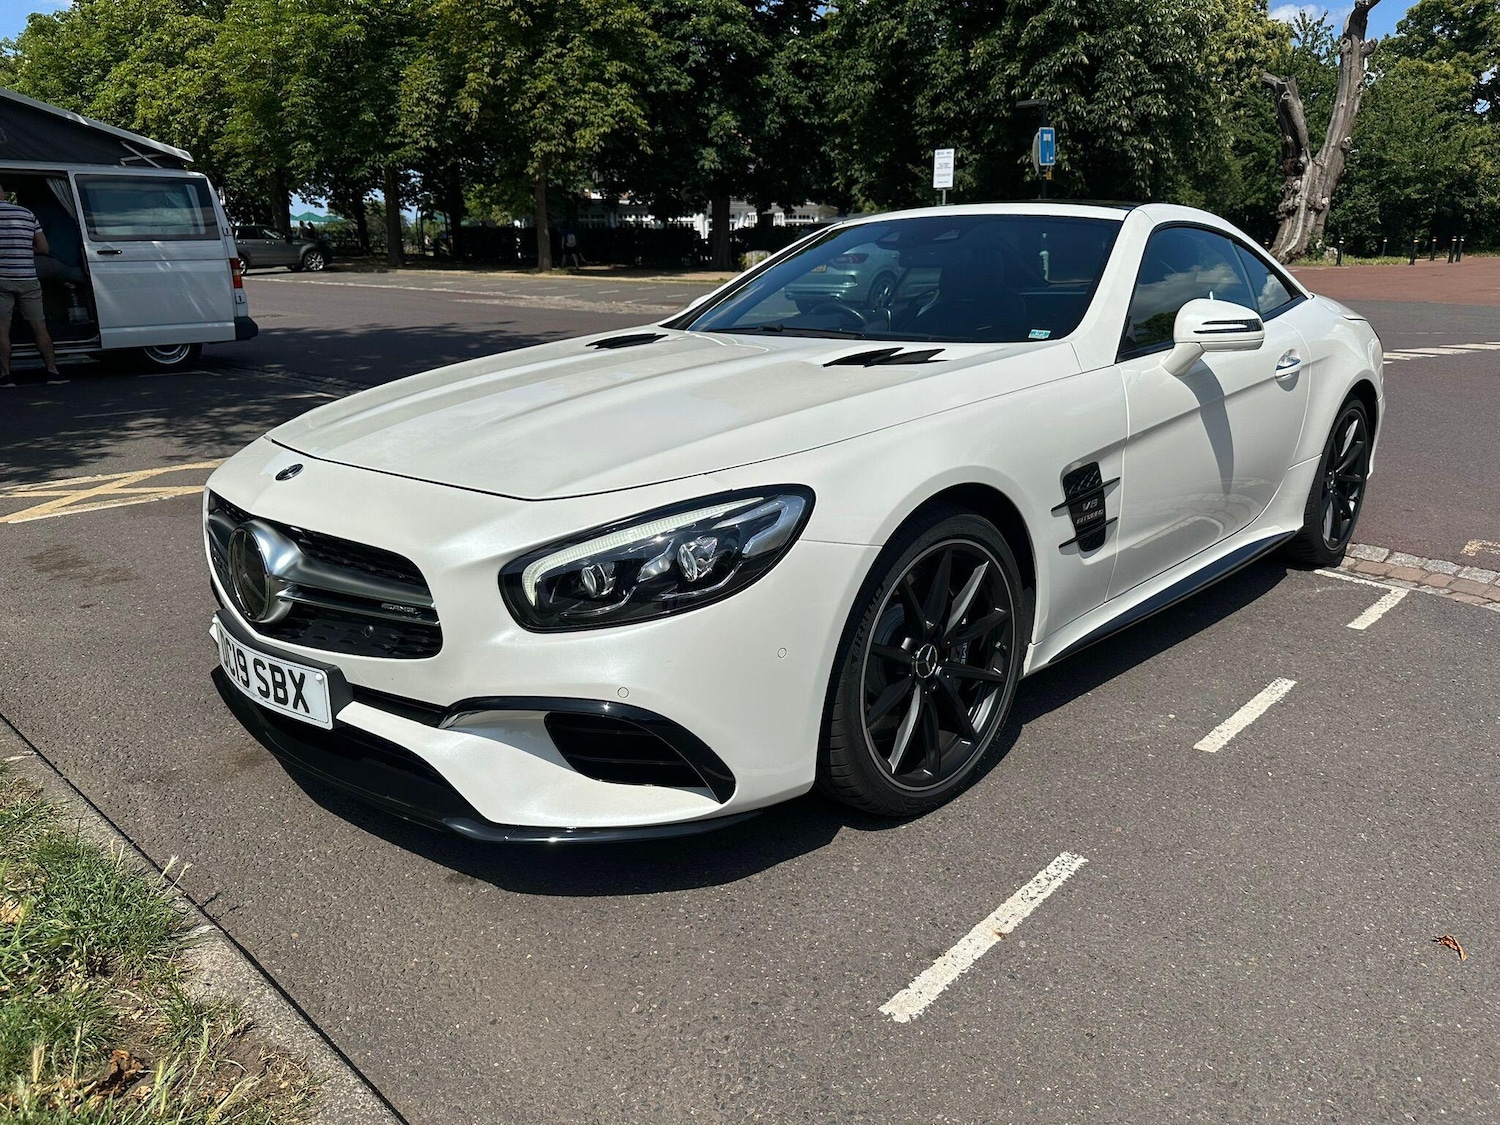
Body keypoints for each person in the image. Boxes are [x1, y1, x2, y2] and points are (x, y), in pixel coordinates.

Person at [0, 183, 65, 387]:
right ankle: (53, 372)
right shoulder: (27, 214)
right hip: (28, 277)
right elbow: (44, 248)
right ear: (3, 193)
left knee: (2, 329)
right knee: (40, 326)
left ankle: (6, 375)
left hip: (1, 279)